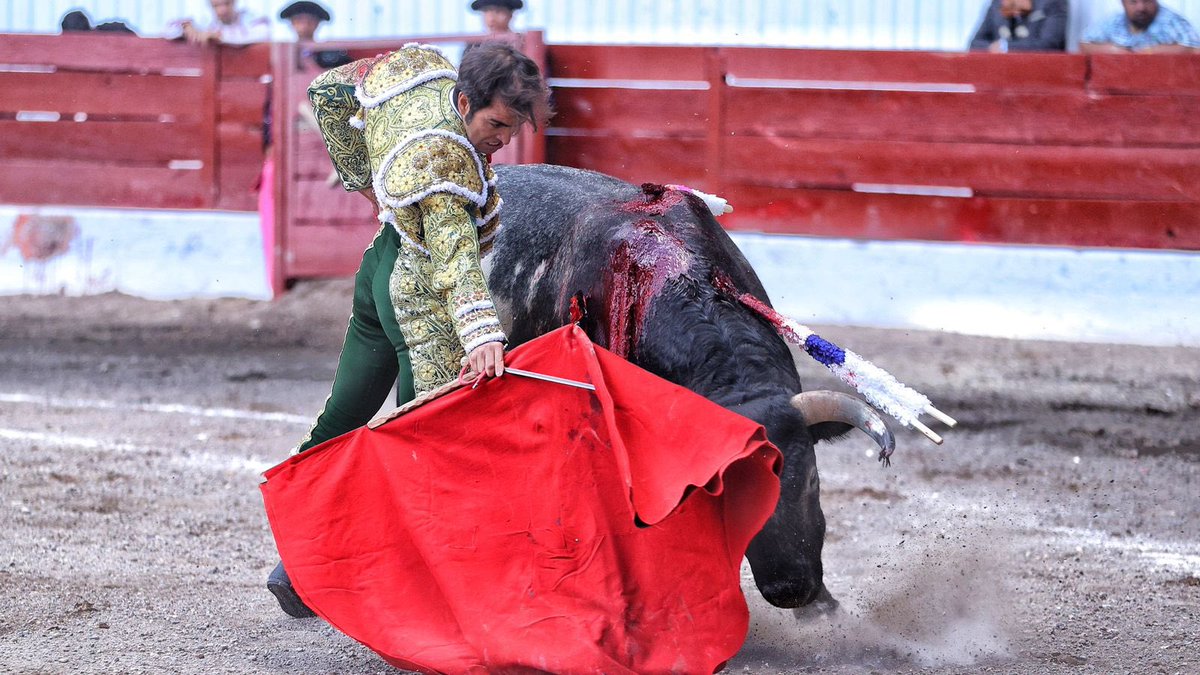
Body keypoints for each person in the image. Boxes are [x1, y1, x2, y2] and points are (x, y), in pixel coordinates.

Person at [266, 41, 552, 618]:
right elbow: (455, 257)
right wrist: (482, 335)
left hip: (379, 267)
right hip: (418, 295)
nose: (504, 139)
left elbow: (329, 89)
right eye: (497, 123)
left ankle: (293, 563)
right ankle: (428, 594)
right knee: (430, 444)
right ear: (466, 100)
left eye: (515, 126)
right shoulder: (447, 162)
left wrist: (363, 179)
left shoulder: (425, 80)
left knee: (343, 417)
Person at [1080, 0, 1200, 51]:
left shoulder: (1172, 21)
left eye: (1146, 1)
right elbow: (1084, 43)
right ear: (1122, 3)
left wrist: (1149, 53)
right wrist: (1116, 52)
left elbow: (1195, 49)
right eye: (1133, 1)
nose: (1141, 8)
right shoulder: (1114, 21)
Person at [970, 0, 1070, 51]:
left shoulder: (1053, 2)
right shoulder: (997, 3)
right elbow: (975, 44)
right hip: (1000, 76)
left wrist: (1006, 47)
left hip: (1038, 75)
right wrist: (994, 48)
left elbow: (1050, 44)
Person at [174, 0, 270, 45]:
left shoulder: (250, 17)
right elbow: (170, 28)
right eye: (216, 6)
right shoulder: (206, 22)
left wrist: (218, 35)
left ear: (234, 2)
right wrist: (186, 28)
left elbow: (263, 33)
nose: (222, 10)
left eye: (226, 3)